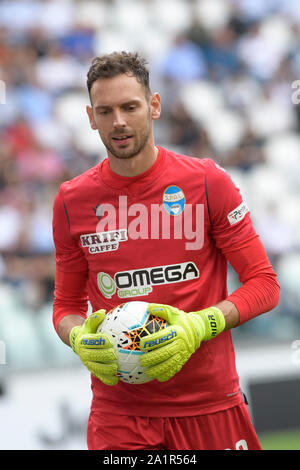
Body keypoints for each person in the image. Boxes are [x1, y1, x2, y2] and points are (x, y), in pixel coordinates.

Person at [52, 51, 280, 451]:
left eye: (130, 107)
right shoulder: (72, 201)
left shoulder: (208, 181)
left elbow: (264, 284)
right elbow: (65, 306)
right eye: (105, 111)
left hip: (210, 407)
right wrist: (78, 337)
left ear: (154, 106)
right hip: (120, 419)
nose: (118, 121)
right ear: (90, 118)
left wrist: (200, 325)